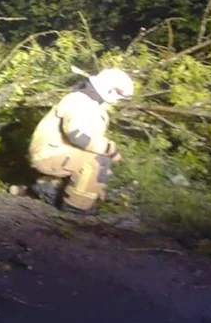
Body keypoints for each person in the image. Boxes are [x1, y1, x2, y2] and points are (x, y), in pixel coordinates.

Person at [27, 68, 134, 215]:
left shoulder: (93, 105)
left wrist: (96, 186)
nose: (117, 100)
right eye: (119, 95)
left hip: (57, 152)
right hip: (49, 154)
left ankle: (48, 187)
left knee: (99, 162)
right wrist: (110, 149)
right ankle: (76, 206)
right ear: (108, 89)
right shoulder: (80, 101)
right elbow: (77, 135)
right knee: (99, 160)